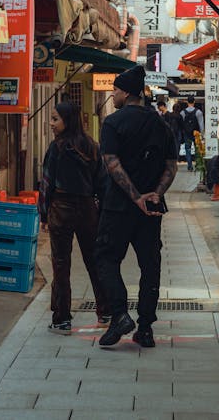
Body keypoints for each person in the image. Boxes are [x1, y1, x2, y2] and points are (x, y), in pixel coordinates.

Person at [95, 65, 178, 348]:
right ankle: (145, 328)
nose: (112, 94)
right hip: (151, 209)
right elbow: (171, 166)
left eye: (115, 90)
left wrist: (134, 196)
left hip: (118, 207)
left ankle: (119, 314)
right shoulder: (161, 124)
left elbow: (111, 163)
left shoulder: (113, 123)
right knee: (149, 266)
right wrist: (154, 193)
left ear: (127, 92)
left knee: (106, 258)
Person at [39, 100, 110, 334]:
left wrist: (43, 213)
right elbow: (102, 182)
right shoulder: (91, 146)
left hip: (61, 207)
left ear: (67, 120)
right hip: (88, 208)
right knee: (94, 260)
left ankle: (62, 320)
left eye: (55, 119)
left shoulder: (56, 147)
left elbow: (47, 183)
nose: (51, 123)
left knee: (61, 265)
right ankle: (106, 312)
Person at [181, 97, 205, 171]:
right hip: (196, 133)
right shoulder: (198, 112)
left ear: (187, 102)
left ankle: (190, 166)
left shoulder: (182, 112)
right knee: (197, 149)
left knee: (187, 149)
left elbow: (181, 123)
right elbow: (201, 124)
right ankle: (198, 165)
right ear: (194, 102)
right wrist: (202, 134)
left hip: (186, 133)